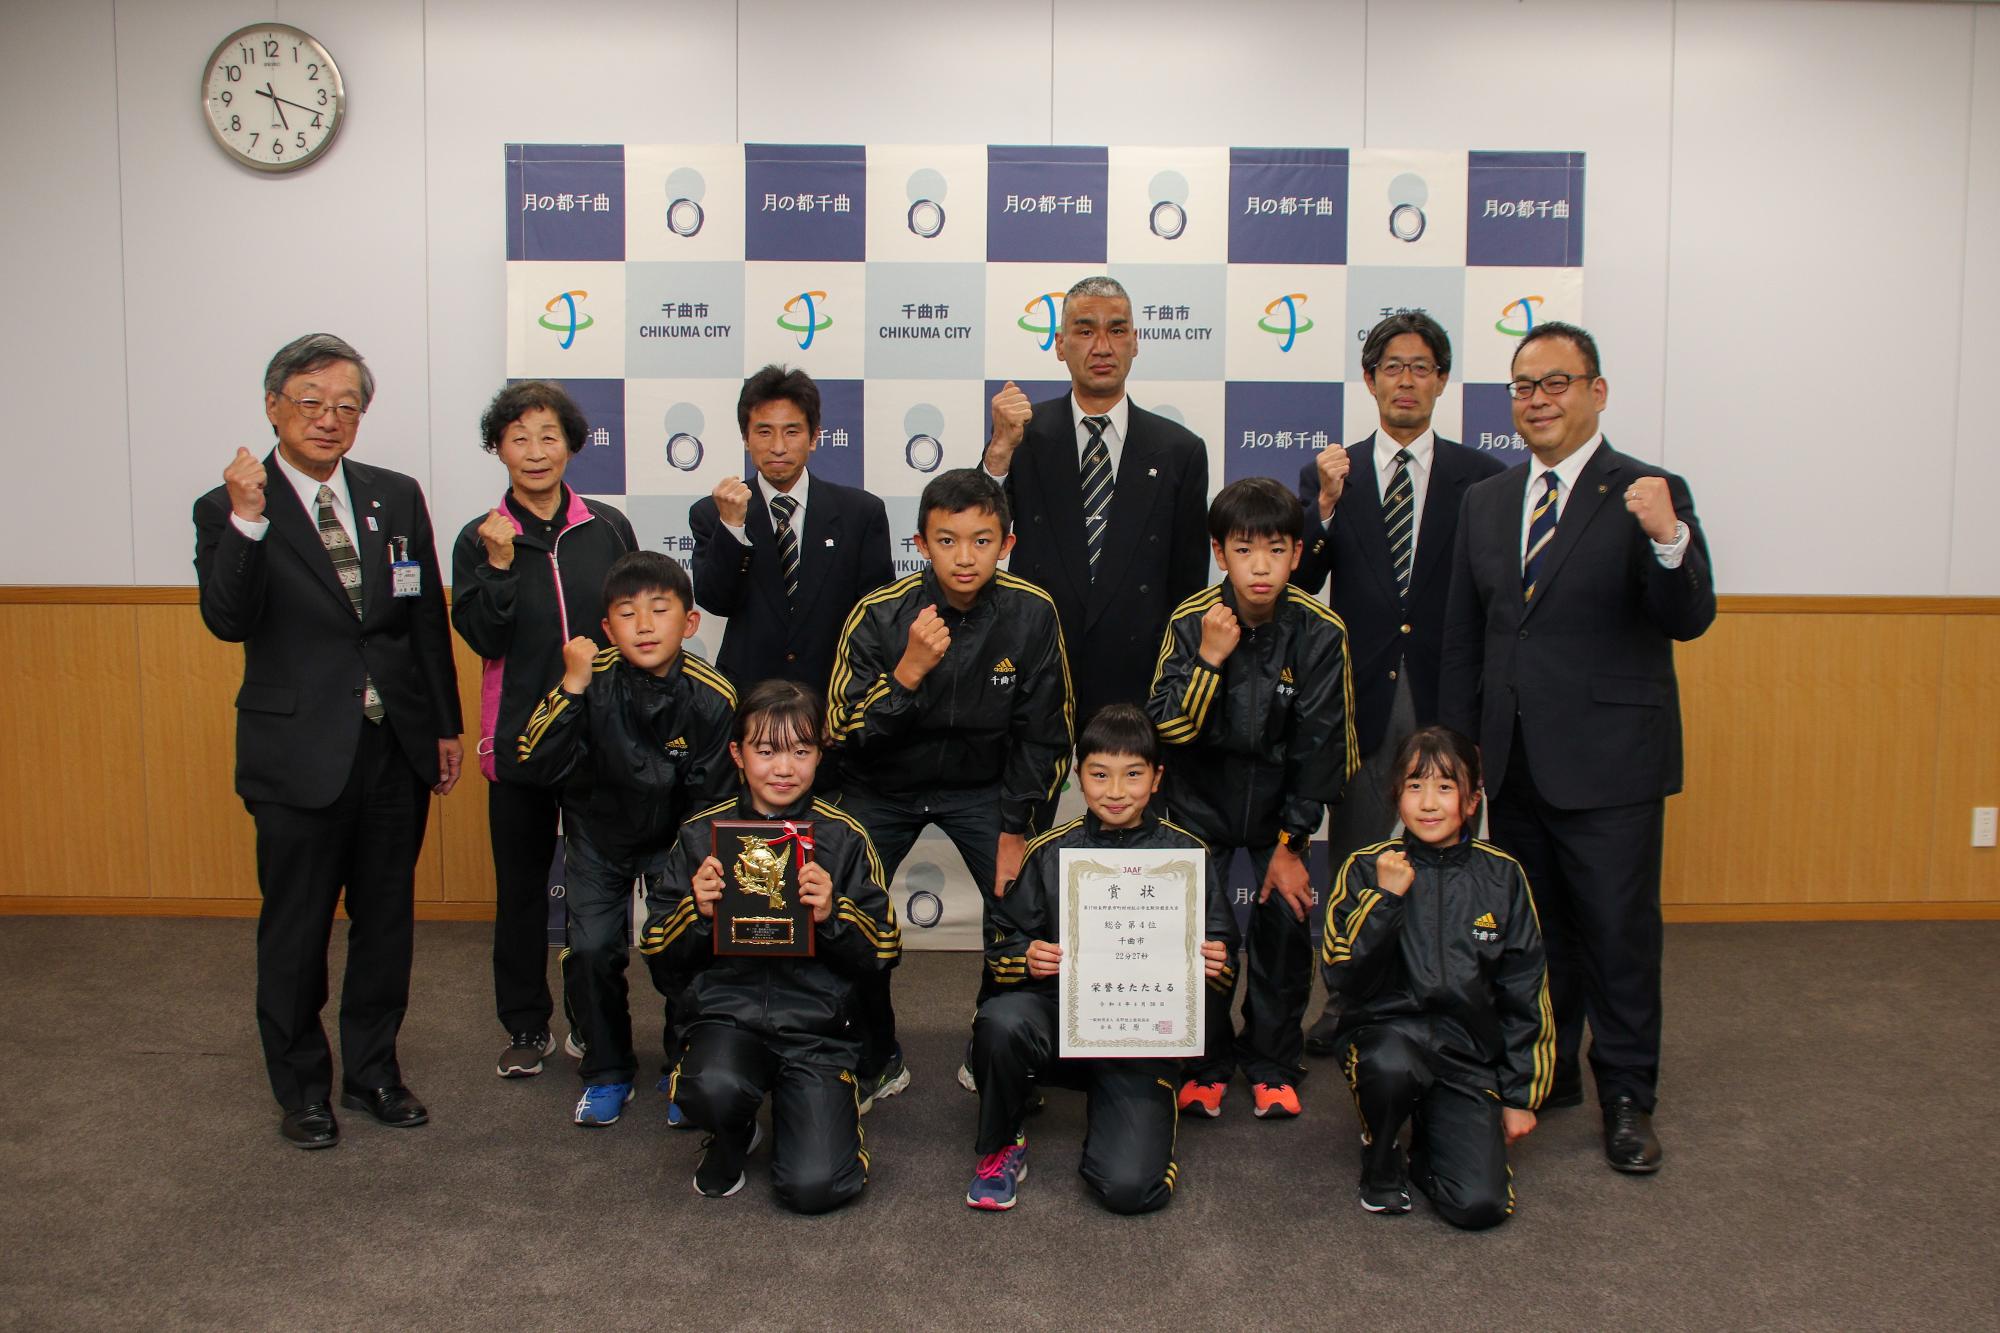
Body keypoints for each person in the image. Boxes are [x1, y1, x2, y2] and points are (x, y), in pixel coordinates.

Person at [1439, 320, 1715, 1173]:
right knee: (1535, 932)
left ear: (1597, 392)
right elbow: (1464, 638)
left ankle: (1628, 1095)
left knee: (1617, 935)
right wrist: (1460, 755)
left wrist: (1671, 538)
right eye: (1523, 385)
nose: (1537, 399)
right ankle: (1546, 1071)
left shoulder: (1647, 490)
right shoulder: (1486, 500)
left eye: (1556, 382)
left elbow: (1689, 617)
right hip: (1511, 760)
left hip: (1610, 764)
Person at [192, 333, 462, 1149]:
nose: (329, 419)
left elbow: (422, 619)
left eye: (347, 405)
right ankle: (303, 1087)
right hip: (297, 754)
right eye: (310, 402)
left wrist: (444, 725)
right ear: (272, 406)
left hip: (393, 747)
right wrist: (245, 520)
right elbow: (226, 619)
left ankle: (375, 1071)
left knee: (385, 921)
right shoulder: (230, 504)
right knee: (298, 926)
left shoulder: (394, 494)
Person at [1294, 313, 1507, 1057]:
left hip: (1449, 693)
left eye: (1421, 367)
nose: (1406, 380)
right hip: (1362, 697)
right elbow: (1304, 579)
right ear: (1370, 379)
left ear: (1442, 380)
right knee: (1359, 856)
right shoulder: (1333, 471)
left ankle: (1453, 997)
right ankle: (1345, 1001)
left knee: (1451, 857)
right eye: (1392, 366)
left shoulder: (1481, 477)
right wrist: (1319, 508)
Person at [826, 468, 1074, 1106]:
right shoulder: (880, 615)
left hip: (984, 789)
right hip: (881, 788)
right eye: (947, 540)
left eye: (982, 540)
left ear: (1006, 544)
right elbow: (840, 731)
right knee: (843, 907)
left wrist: (1016, 828)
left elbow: (1045, 735)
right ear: (920, 543)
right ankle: (874, 1054)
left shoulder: (1032, 612)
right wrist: (906, 675)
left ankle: (992, 1046)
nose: (965, 558)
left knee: (1022, 906)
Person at [965, 704, 1232, 1214]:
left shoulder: (1187, 857)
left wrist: (1214, 963)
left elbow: (1223, 953)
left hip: (1141, 1038)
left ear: (1156, 779)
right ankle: (1002, 1143)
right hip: (1063, 1023)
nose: (1115, 791)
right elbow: (1003, 945)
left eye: (1133, 775)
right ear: (1077, 777)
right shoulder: (1050, 851)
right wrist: (1028, 957)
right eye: (1100, 774)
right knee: (1000, 1022)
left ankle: (1137, 1122)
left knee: (1129, 1190)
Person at [647, 680, 899, 1213]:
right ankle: (732, 1131)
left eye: (801, 752)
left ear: (818, 756)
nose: (784, 768)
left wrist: (833, 915)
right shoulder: (700, 835)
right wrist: (699, 913)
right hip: (726, 1018)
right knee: (710, 1088)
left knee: (816, 1188)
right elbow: (658, 957)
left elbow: (884, 948)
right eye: (766, 752)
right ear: (738, 755)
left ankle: (814, 1111)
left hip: (816, 1028)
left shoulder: (844, 838)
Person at [1147, 477, 1355, 1120]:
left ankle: (1271, 1060)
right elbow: (1168, 731)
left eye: (1275, 549)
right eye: (1243, 549)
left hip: (1278, 814)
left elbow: (1322, 750)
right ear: (1219, 553)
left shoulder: (1320, 630)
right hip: (1196, 804)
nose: (1259, 566)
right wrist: (1210, 659)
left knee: (1284, 936)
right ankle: (1205, 1061)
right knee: (1201, 940)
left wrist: (1293, 843)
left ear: (1297, 554)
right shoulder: (1190, 621)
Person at [450, 380, 636, 1079]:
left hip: (599, 741)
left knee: (599, 891)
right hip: (521, 741)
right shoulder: (480, 536)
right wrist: (499, 566)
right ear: (498, 447)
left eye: (548, 436)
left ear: (571, 445)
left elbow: (634, 619)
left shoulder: (607, 526)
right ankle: (526, 1025)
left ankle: (594, 1023)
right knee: (522, 890)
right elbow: (481, 633)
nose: (535, 451)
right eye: (519, 437)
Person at [514, 551, 736, 1128]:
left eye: (659, 611)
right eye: (627, 614)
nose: (643, 625)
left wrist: (695, 870)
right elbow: (533, 764)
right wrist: (570, 685)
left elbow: (712, 803)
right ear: (606, 628)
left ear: (688, 623)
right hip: (596, 834)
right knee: (590, 952)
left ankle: (683, 1061)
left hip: (675, 840)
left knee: (685, 948)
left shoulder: (713, 697)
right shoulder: (587, 680)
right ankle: (608, 1070)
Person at [1321, 725, 1554, 1226]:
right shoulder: (1367, 867)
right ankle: (1381, 1157)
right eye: (1414, 786)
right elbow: (1343, 977)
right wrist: (1386, 899)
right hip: (1387, 1036)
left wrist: (1520, 1095)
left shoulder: (1503, 875)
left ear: (1471, 802)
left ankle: (1430, 1145)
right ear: (1395, 798)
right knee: (1387, 1067)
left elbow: (1526, 989)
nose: (1429, 803)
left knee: (1479, 1207)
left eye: (1445, 787)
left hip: (1468, 1054)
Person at [982, 275, 1209, 726]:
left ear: (1136, 344)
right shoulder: (1023, 435)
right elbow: (975, 531)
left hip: (1138, 682)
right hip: (1037, 670)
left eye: (1117, 330)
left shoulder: (1180, 450)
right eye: (1085, 331)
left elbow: (1188, 590)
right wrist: (998, 453)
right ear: (1060, 344)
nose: (1102, 346)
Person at [688, 364, 892, 695]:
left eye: (792, 432)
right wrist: (731, 527)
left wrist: (850, 700)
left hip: (833, 696)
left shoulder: (860, 514)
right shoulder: (713, 513)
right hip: (750, 700)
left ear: (814, 438)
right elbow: (716, 601)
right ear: (745, 438)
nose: (778, 447)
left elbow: (877, 620)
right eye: (764, 432)